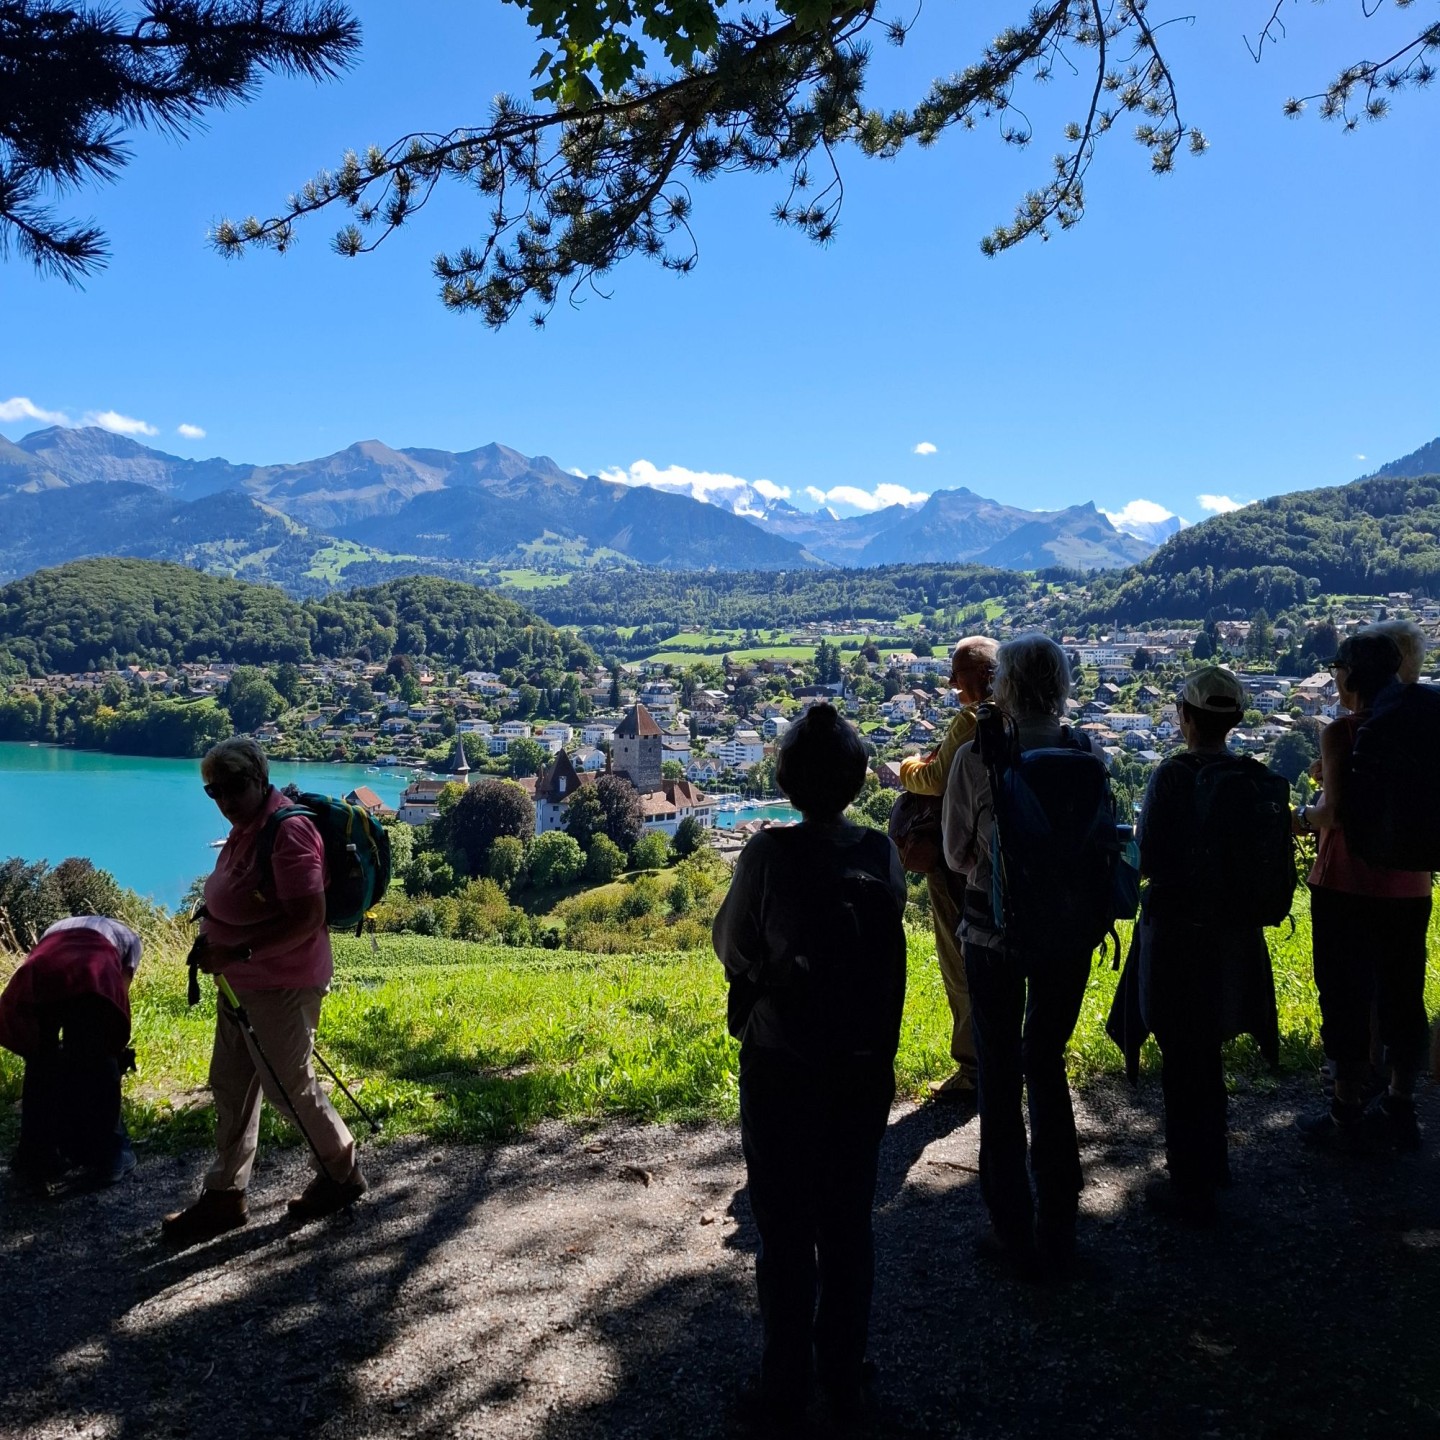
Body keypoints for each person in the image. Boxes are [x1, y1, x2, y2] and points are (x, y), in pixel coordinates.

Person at [713, 704, 907, 1428]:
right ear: (858, 780)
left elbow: (731, 946)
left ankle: (784, 1383)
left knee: (787, 1227)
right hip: (862, 1062)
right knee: (850, 1221)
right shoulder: (879, 854)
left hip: (782, 1060)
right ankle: (846, 1374)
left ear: (787, 781)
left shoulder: (768, 854)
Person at [162, 737, 366, 1245]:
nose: (225, 800)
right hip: (240, 987)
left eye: (234, 787)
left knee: (287, 1087)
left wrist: (236, 952)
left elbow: (308, 919)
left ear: (259, 777)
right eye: (214, 791)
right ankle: (225, 1196)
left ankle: (342, 1173)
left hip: (282, 983)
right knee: (230, 1086)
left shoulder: (289, 831)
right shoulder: (245, 828)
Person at [941, 633, 1093, 1277]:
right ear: (1060, 686)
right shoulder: (1086, 752)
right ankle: (1061, 1219)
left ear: (1002, 686)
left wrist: (995, 874)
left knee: (1000, 1074)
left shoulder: (978, 757)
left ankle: (1010, 1225)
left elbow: (955, 853)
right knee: (1047, 1063)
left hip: (990, 932)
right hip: (1066, 933)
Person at [1105, 667, 1280, 1224]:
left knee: (1183, 1057)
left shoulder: (1173, 775)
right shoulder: (1253, 776)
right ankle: (1216, 1162)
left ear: (1185, 717)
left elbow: (1150, 855)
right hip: (1235, 934)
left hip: (1179, 934)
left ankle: (1190, 1184)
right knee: (1208, 1051)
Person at [1293, 631, 1432, 1150]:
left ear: (1349, 676)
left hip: (1347, 883)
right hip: (1410, 883)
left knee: (1346, 994)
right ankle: (1402, 1107)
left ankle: (1345, 1112)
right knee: (1404, 992)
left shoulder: (1342, 732)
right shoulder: (1419, 727)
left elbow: (1333, 814)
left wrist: (1298, 818)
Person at [899, 636, 998, 1104]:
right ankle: (1003, 1054)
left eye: (958, 672)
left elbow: (935, 780)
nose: (951, 681)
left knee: (959, 957)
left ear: (982, 674)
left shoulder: (973, 719)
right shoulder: (1022, 714)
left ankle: (972, 1067)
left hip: (959, 858)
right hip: (1008, 856)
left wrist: (907, 767)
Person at [0, 915, 142, 1191]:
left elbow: (44, 960)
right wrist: (114, 1043)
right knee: (97, 1056)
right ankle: (109, 1156)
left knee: (42, 1062)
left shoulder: (55, 927)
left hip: (41, 972)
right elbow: (121, 989)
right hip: (92, 972)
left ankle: (36, 1156)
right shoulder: (131, 938)